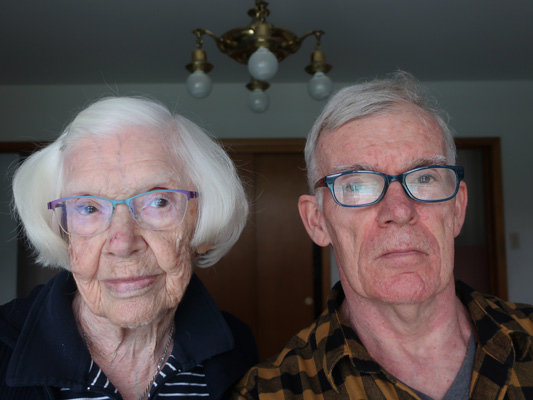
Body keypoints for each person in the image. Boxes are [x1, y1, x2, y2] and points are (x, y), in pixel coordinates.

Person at [233, 72, 533, 399]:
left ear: (458, 209)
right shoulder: (268, 392)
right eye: (357, 185)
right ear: (317, 221)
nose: (400, 211)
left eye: (424, 178)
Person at [0, 96, 257, 399]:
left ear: (201, 218)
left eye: (159, 202)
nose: (122, 244)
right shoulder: (5, 346)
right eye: (88, 208)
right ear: (62, 230)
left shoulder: (235, 349)